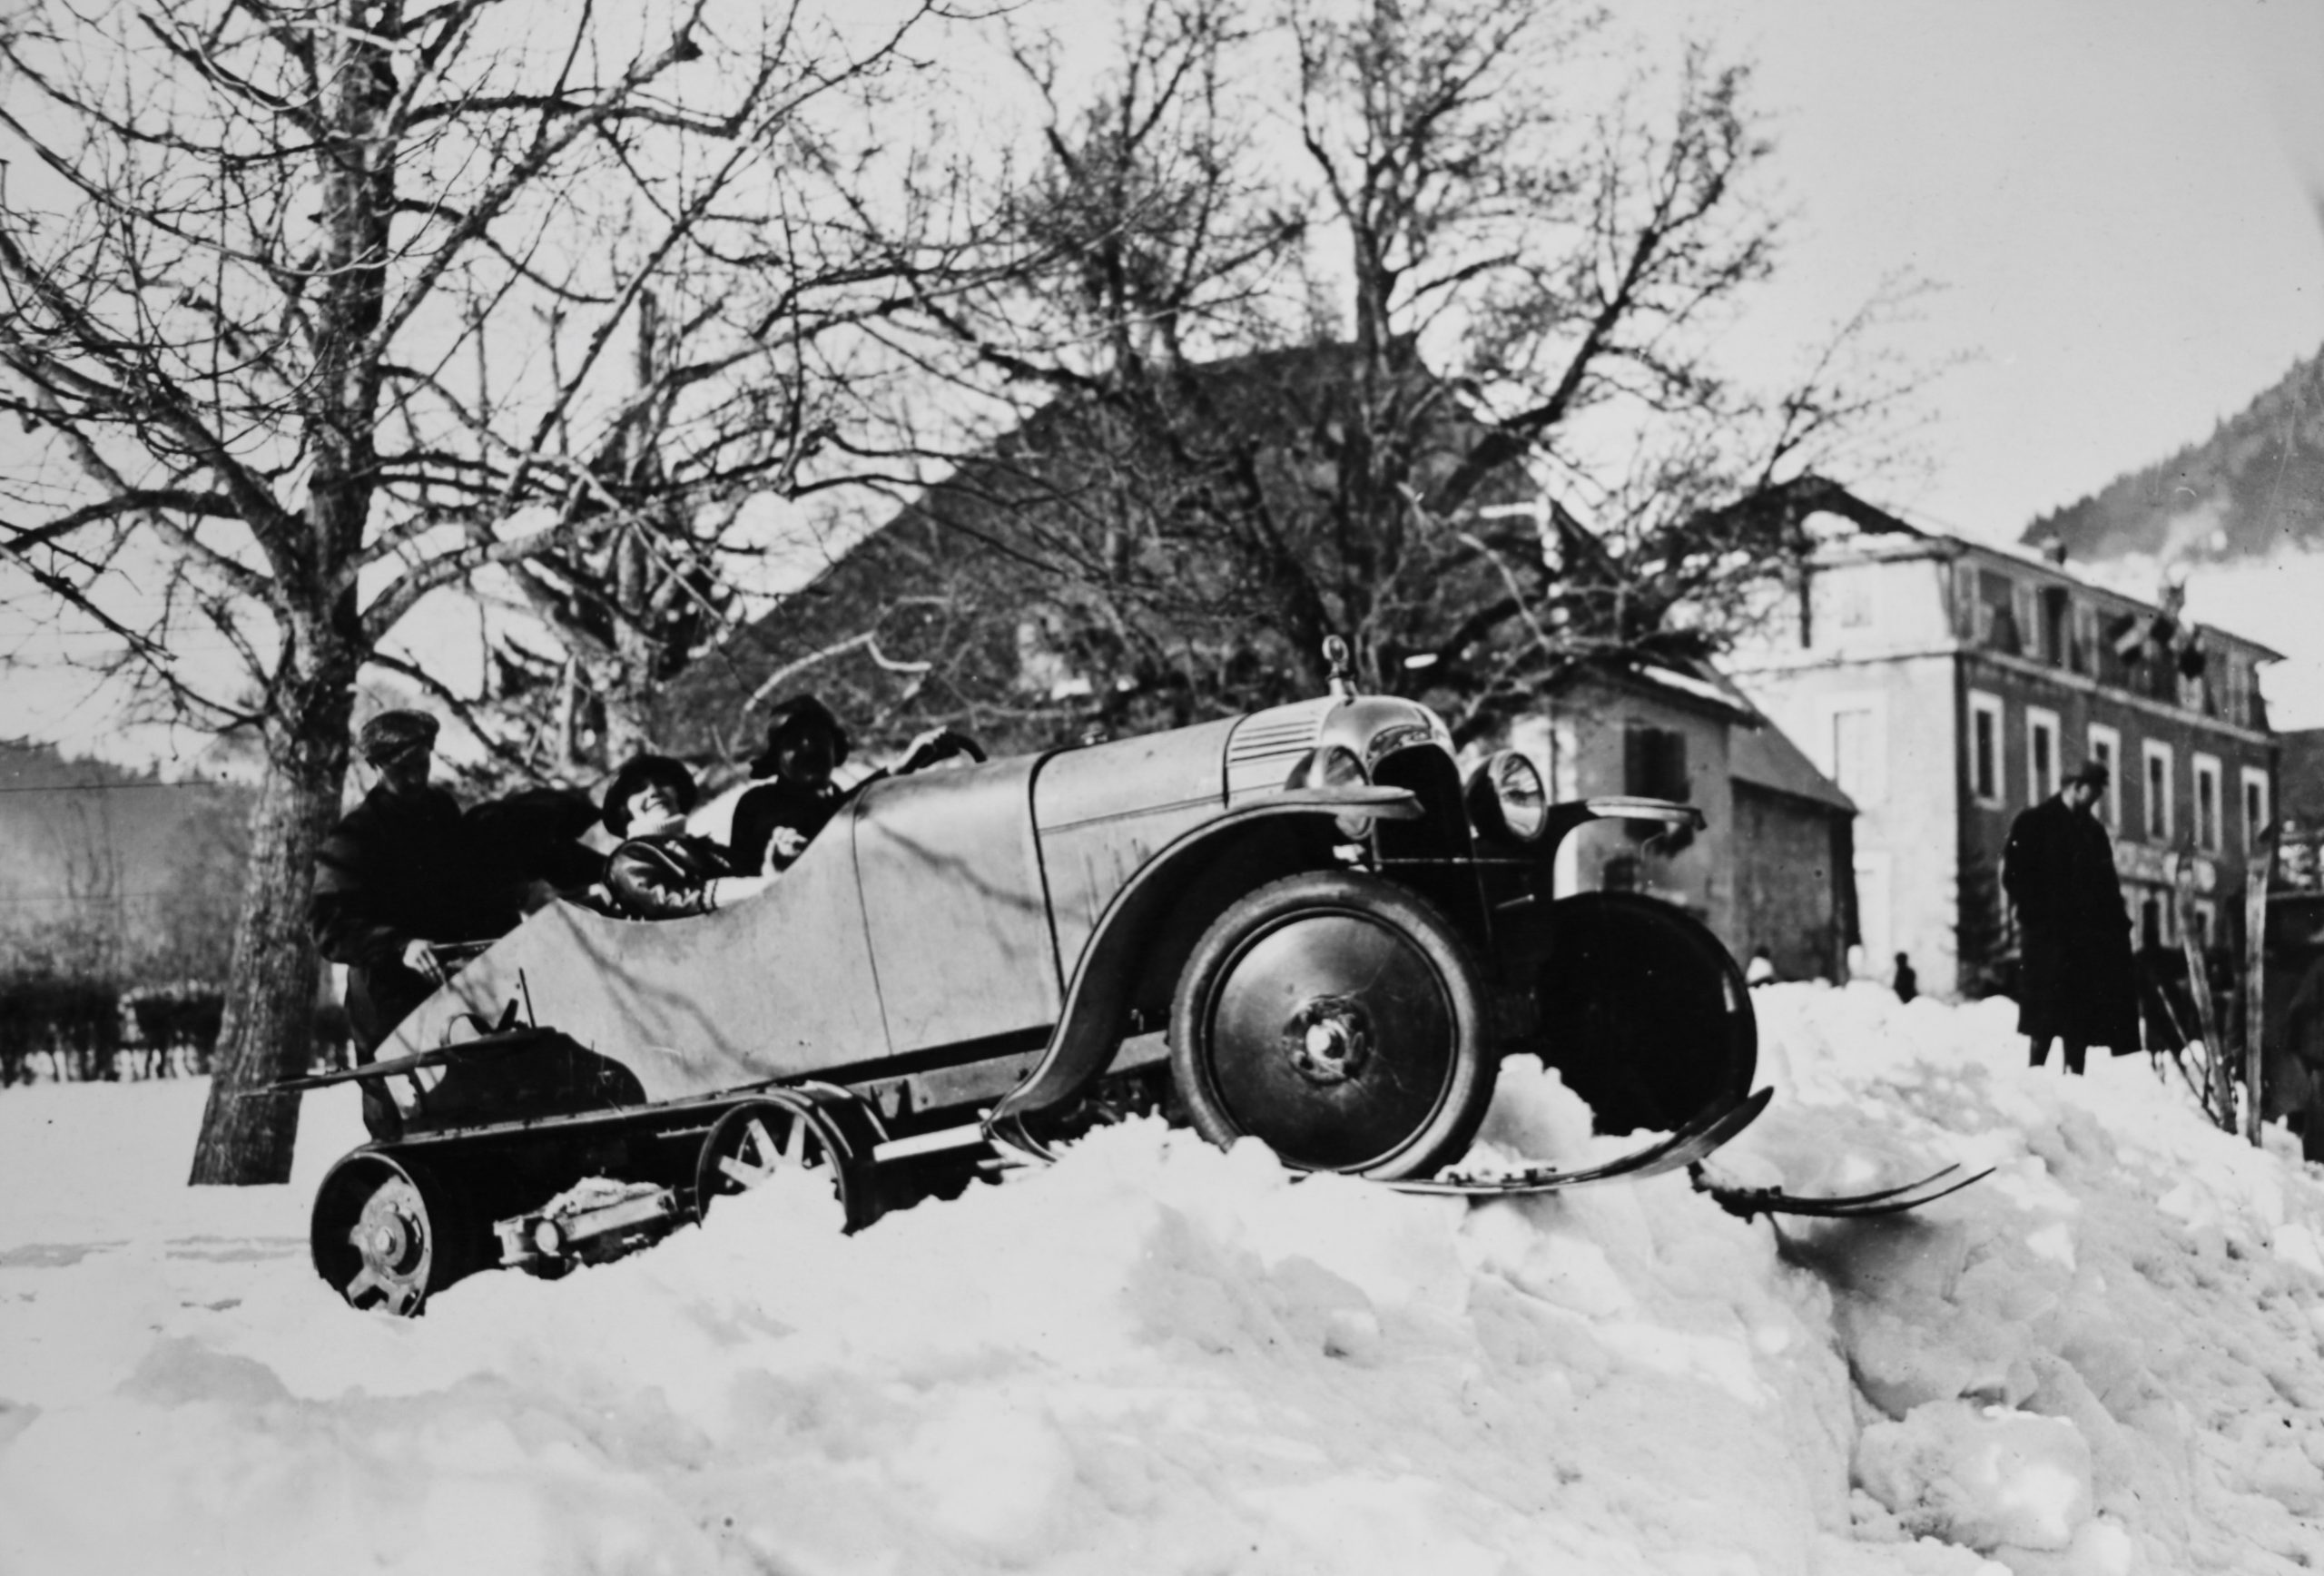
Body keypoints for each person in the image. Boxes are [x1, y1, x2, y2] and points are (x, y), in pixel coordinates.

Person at [312, 710, 599, 1138]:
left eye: (422, 766)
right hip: (391, 1003)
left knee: (480, 1102)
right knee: (406, 1116)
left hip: (457, 985)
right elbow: (327, 925)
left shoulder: (440, 810)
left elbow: (468, 882)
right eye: (401, 770)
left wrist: (517, 898)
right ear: (375, 767)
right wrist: (399, 944)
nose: (414, 779)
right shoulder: (353, 838)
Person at [728, 694, 980, 872]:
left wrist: (907, 767)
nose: (808, 747)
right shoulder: (759, 804)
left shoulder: (834, 798)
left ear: (835, 749)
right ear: (776, 757)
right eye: (793, 741)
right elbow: (825, 823)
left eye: (818, 738)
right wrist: (899, 767)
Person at [2003, 760, 2140, 1075]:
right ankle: (2035, 1077)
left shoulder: (2094, 832)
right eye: (2092, 793)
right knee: (2044, 1018)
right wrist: (2038, 914)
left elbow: (2108, 887)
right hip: (2046, 941)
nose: (2095, 801)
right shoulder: (2034, 823)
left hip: (2083, 944)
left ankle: (2075, 1080)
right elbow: (2014, 875)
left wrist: (2117, 927)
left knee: (2079, 1018)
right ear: (2075, 787)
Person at [602, 754, 775, 919]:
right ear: (624, 810)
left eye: (662, 782)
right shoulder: (629, 857)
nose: (654, 791)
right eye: (638, 789)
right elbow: (667, 902)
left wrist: (774, 863)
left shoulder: (706, 846)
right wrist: (753, 888)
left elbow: (757, 879)